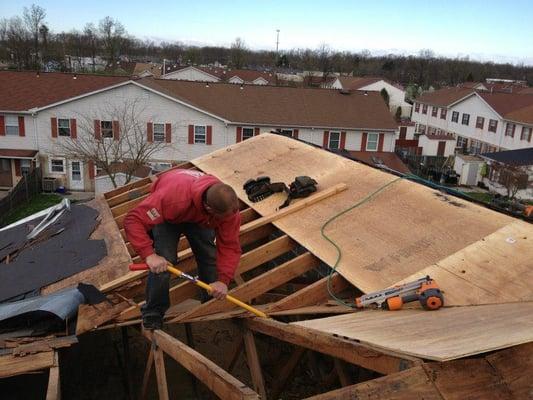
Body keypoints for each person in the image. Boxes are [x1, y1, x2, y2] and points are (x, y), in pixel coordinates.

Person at [124, 169, 241, 330]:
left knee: (208, 254)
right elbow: (133, 220)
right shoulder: (171, 198)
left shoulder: (229, 211)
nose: (228, 220)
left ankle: (209, 301)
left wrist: (223, 281)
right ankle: (153, 312)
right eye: (222, 218)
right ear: (209, 208)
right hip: (170, 214)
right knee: (165, 261)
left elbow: (229, 246)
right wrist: (149, 255)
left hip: (199, 217)